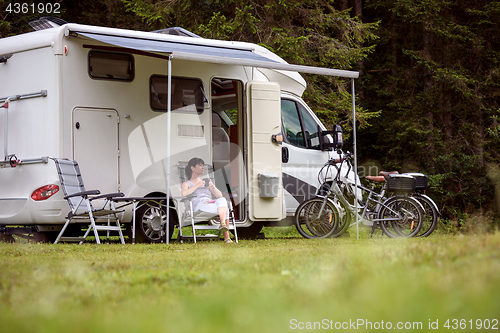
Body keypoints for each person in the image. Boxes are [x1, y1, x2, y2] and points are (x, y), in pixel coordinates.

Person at [181, 157, 233, 243]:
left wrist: (212, 186)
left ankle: (222, 223)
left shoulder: (205, 181)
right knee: (225, 210)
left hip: (210, 204)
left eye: (203, 165)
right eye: (200, 165)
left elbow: (219, 195)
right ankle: (226, 238)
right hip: (199, 206)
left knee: (223, 200)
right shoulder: (186, 183)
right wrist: (198, 185)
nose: (203, 167)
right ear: (193, 168)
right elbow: (184, 193)